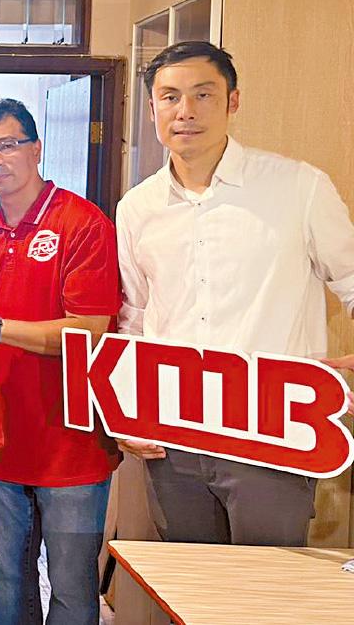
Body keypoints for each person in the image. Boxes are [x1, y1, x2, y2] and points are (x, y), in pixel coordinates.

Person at [116, 41, 354, 545]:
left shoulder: (299, 187)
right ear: (153, 109)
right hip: (174, 433)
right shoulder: (137, 207)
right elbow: (135, 317)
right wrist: (128, 413)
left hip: (273, 431)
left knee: (266, 583)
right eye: (170, 97)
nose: (185, 111)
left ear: (233, 101)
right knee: (189, 582)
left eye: (203, 94)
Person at [0, 97, 121, 625]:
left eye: (7, 145)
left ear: (36, 148)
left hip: (72, 445)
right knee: (7, 578)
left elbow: (89, 331)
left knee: (72, 584)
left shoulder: (82, 223)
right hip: (1, 443)